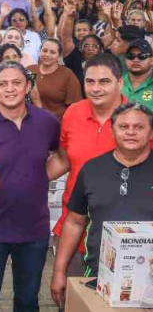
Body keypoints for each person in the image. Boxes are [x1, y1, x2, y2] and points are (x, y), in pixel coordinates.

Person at [0, 61, 61, 312]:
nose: (10, 89)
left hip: (33, 230)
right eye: (2, 84)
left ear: (27, 86)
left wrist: (38, 177)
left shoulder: (47, 122)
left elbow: (62, 156)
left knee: (28, 301)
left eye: (17, 83)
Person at [50, 103, 153, 308]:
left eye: (139, 127)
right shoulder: (92, 169)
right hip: (98, 277)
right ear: (112, 131)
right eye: (123, 127)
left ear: (150, 132)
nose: (130, 132)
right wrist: (59, 272)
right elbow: (74, 222)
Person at [52, 54, 130, 276]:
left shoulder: (137, 122)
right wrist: (20, 176)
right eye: (90, 81)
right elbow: (63, 160)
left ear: (120, 83)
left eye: (104, 81)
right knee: (68, 291)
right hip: (73, 227)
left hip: (120, 233)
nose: (96, 88)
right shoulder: (73, 113)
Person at [27, 39, 83, 120]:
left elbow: (75, 106)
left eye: (52, 52)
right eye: (44, 50)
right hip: (30, 120)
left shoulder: (67, 74)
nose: (47, 55)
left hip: (56, 122)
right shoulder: (30, 70)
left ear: (59, 56)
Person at [121, 39, 153, 110]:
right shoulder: (116, 82)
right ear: (125, 60)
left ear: (152, 60)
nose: (135, 60)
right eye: (130, 55)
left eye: (142, 55)